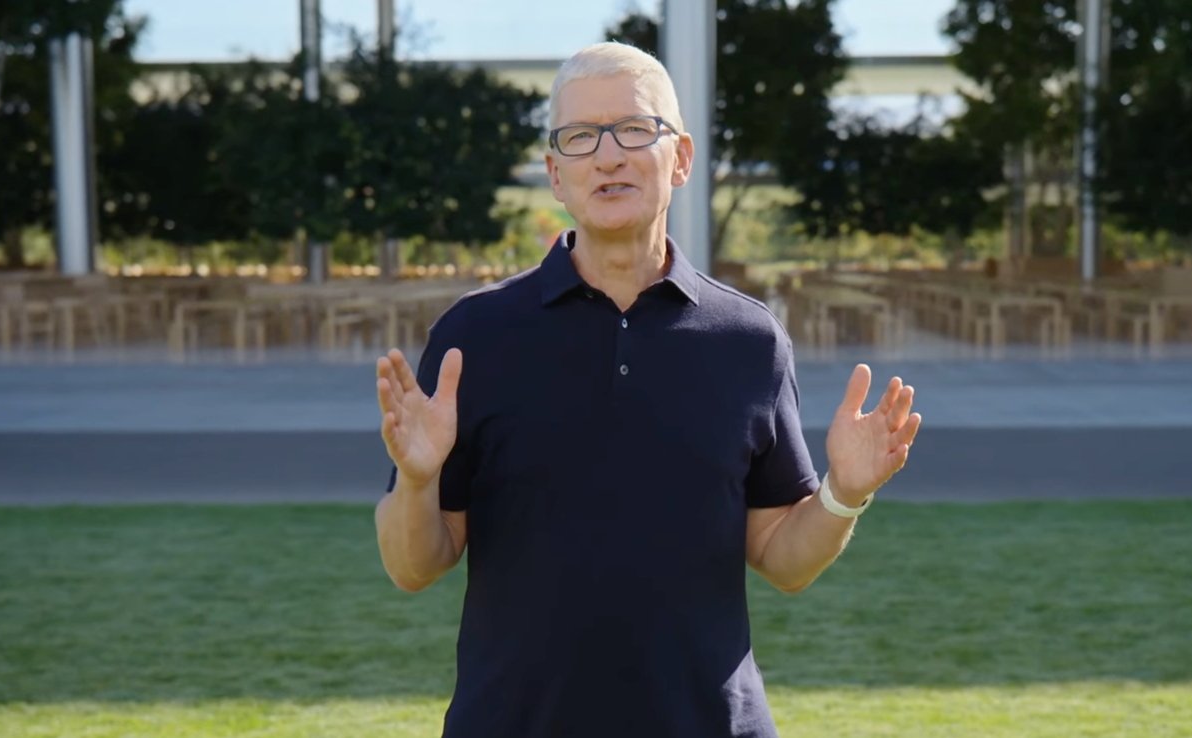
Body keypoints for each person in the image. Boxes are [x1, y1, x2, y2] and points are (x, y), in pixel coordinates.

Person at [373, 41, 922, 738]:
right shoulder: (475, 337)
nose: (608, 156)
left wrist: (845, 492)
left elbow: (784, 559)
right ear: (553, 174)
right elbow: (411, 567)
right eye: (580, 138)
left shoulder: (749, 341)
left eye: (635, 129)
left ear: (682, 158)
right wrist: (418, 481)